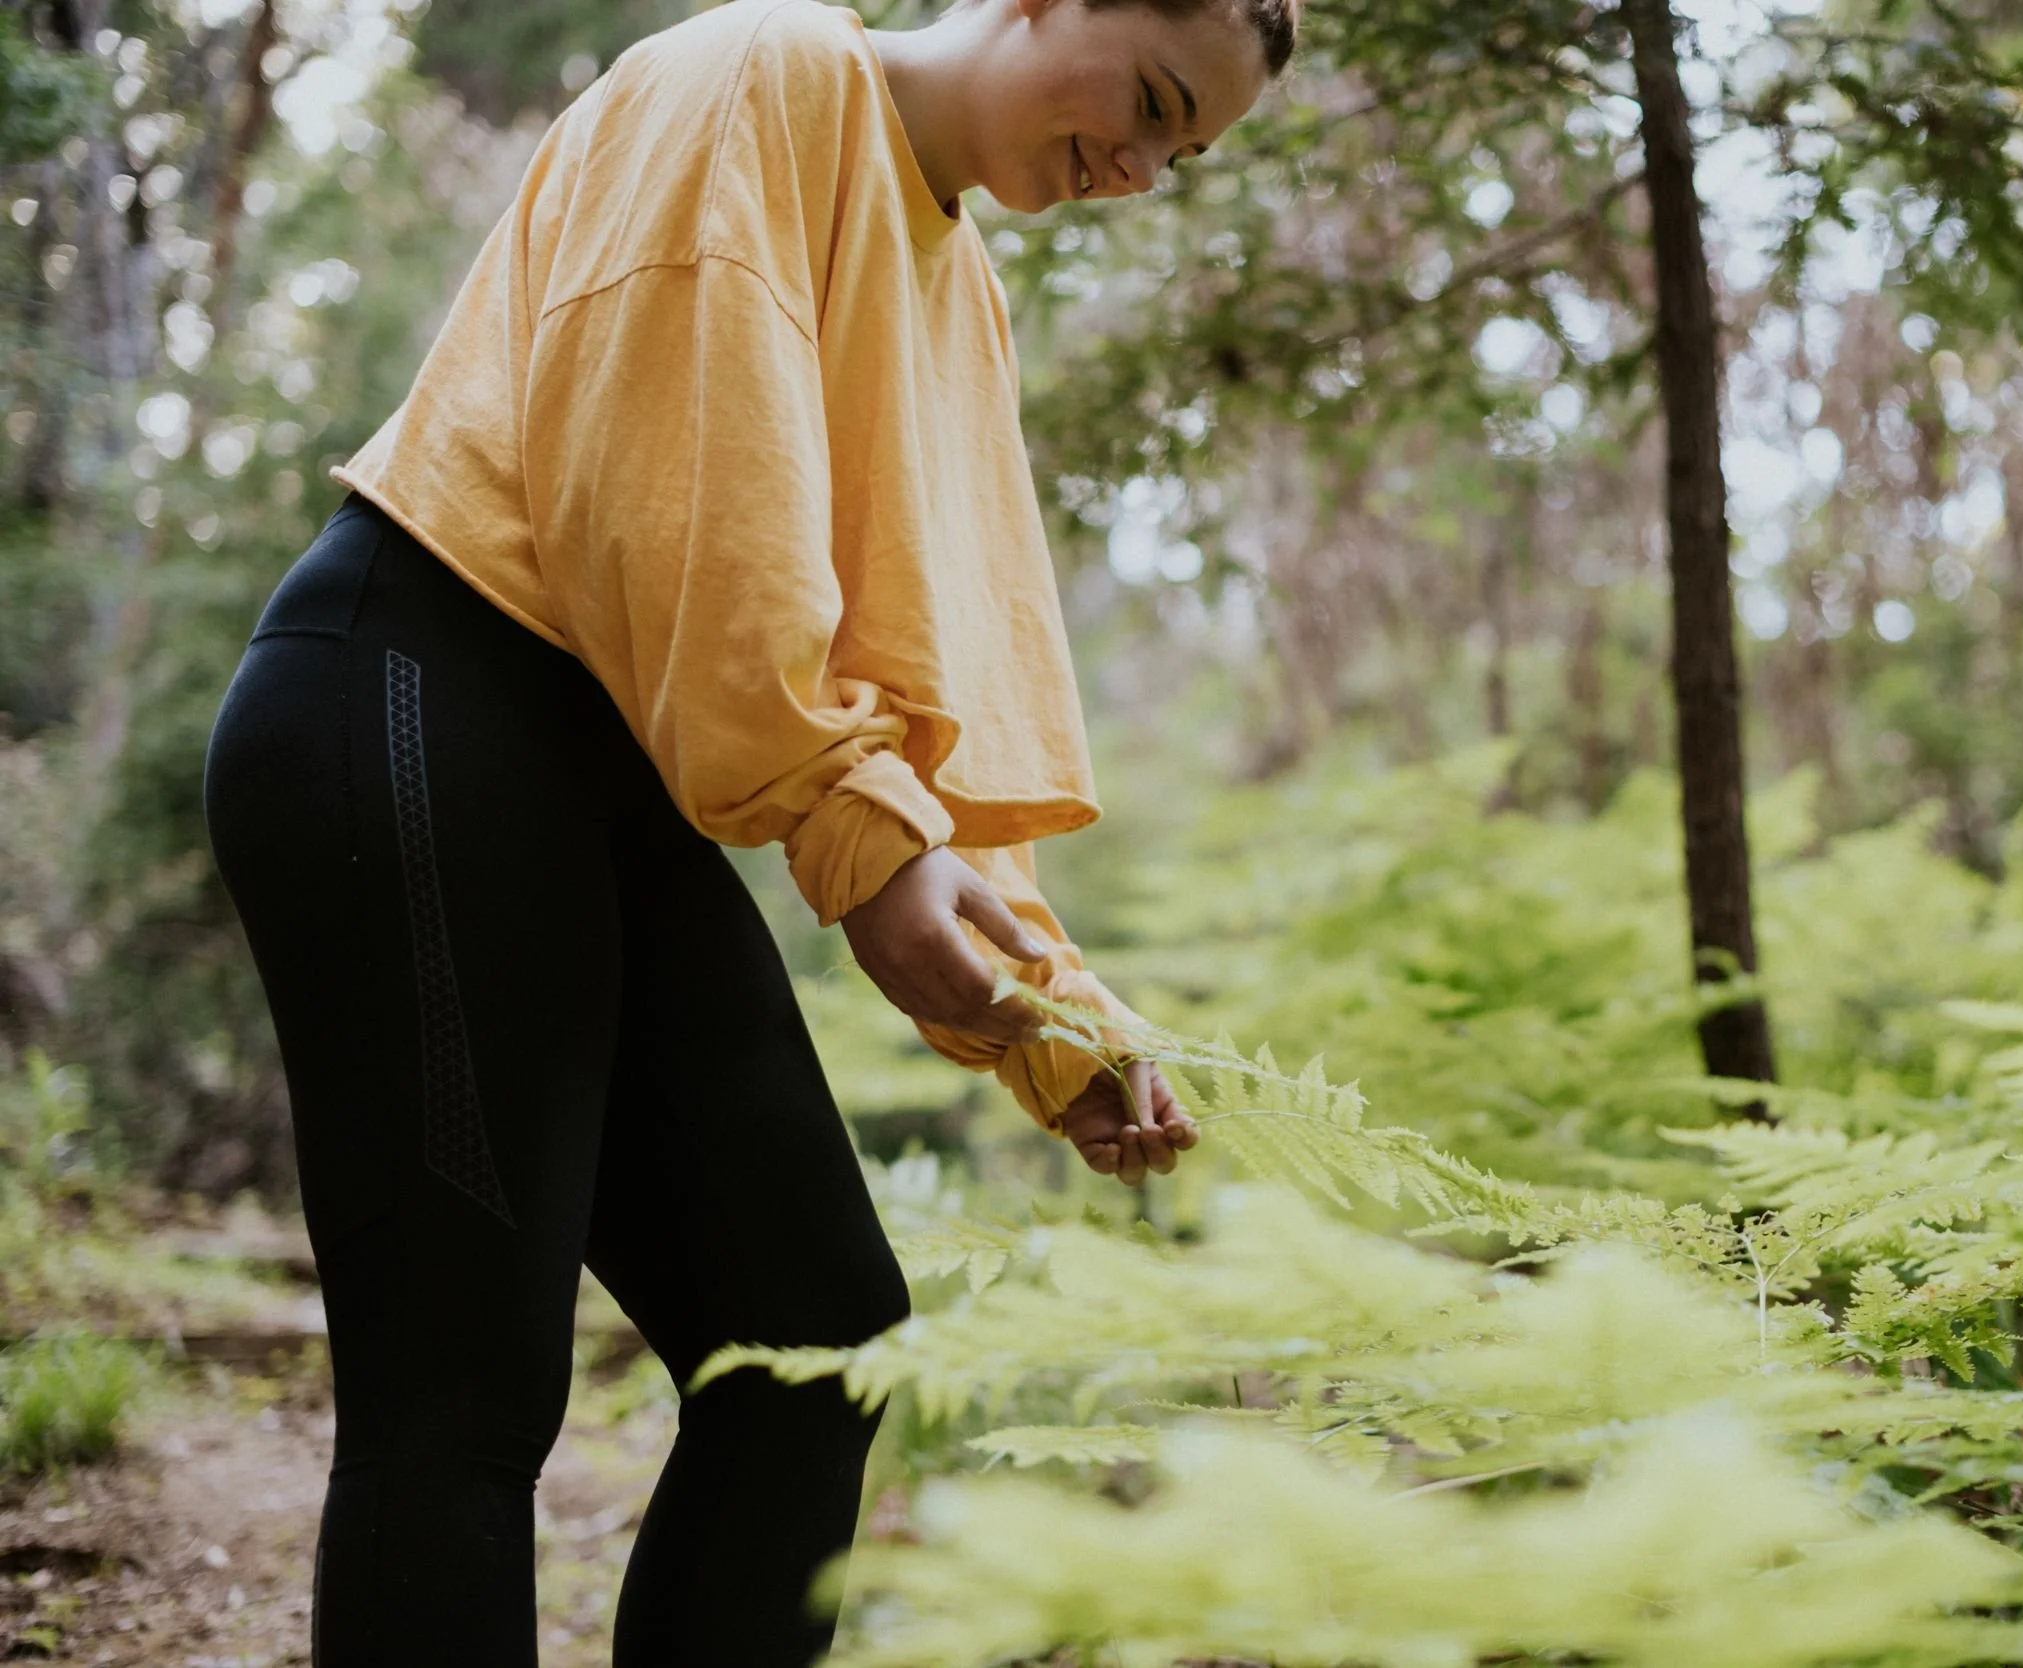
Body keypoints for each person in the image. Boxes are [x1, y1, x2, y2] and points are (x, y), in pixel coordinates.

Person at [199, 0, 1292, 1661]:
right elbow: (689, 521)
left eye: (1183, 151)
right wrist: (857, 849)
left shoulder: (962, 298)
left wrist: (1059, 1020)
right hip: (416, 693)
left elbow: (928, 686)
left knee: (816, 1332)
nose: (1141, 167)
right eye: (1148, 98)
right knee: (465, 1396)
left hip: (602, 776)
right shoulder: (764, 75)